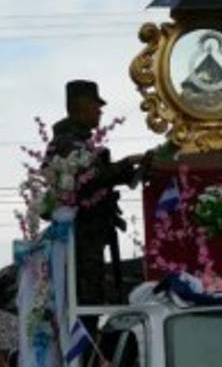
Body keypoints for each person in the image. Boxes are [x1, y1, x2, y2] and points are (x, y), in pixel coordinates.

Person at [48, 79, 150, 305]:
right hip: (80, 234)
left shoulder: (80, 141)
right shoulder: (66, 142)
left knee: (93, 292)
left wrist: (135, 168)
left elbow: (99, 176)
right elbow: (88, 180)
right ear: (81, 105)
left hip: (92, 232)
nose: (100, 110)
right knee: (86, 296)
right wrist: (128, 162)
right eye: (96, 104)